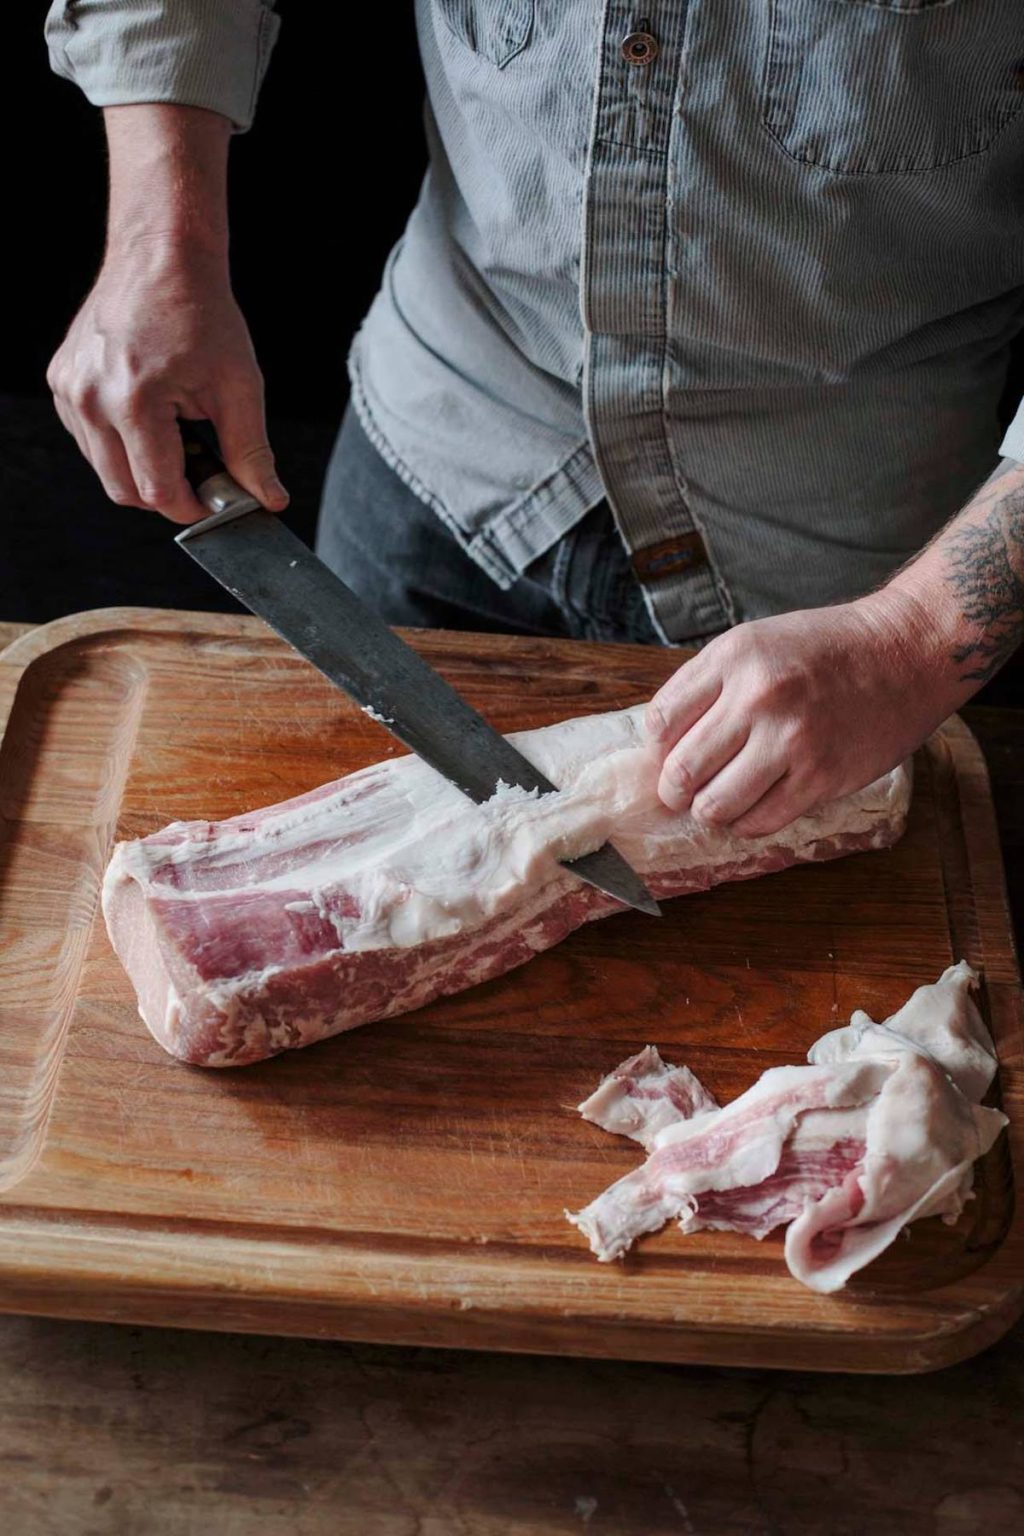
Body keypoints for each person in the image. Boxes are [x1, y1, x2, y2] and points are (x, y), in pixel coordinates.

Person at [44, 3, 1024, 837]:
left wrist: (910, 640)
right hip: (439, 465)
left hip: (851, 599)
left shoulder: (888, 639)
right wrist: (156, 241)